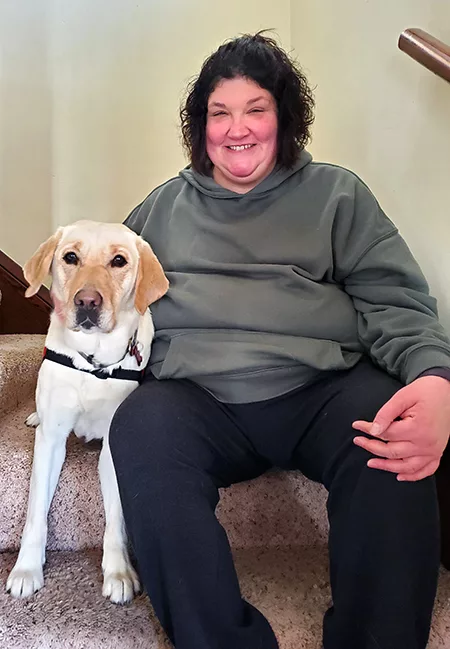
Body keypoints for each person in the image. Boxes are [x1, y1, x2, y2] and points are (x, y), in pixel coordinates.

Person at [109, 32, 450, 649]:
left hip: (321, 388)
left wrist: (433, 378)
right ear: (200, 126)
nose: (237, 129)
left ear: (284, 118)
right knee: (138, 429)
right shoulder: (160, 209)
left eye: (256, 109)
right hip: (197, 397)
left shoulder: (337, 194)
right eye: (220, 112)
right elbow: (110, 296)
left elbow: (393, 299)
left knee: (391, 428)